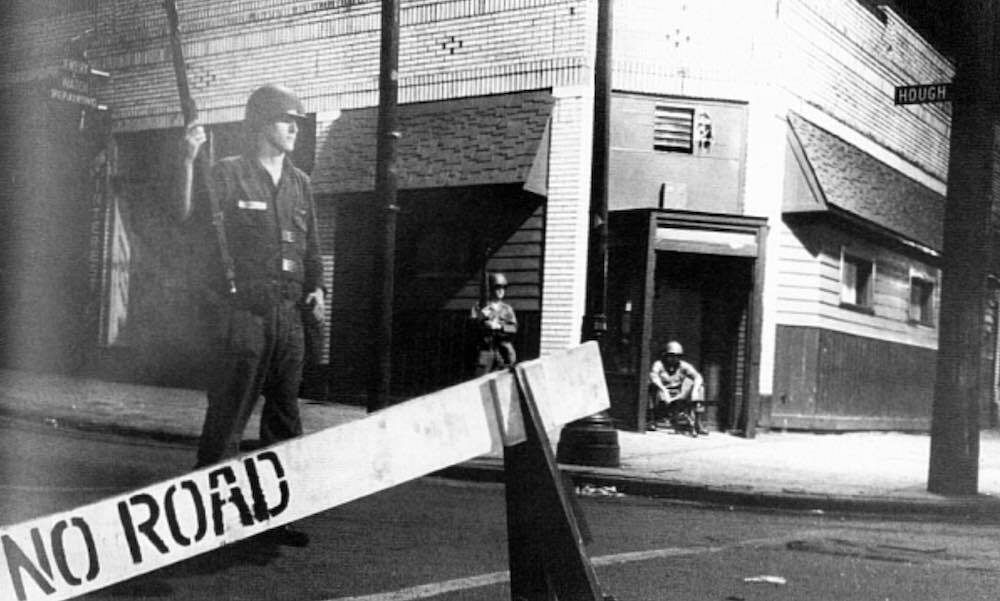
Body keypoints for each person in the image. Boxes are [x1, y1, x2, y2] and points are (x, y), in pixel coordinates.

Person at [177, 84, 324, 547]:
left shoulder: (300, 183)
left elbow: (312, 249)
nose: (294, 128)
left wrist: (317, 288)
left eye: (297, 121)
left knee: (285, 422)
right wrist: (186, 160)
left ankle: (274, 515)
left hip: (289, 318)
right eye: (286, 120)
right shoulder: (227, 175)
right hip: (243, 317)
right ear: (261, 124)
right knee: (228, 420)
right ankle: (208, 521)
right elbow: (185, 218)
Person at [648, 340, 706, 435]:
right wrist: (663, 389)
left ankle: (697, 423)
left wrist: (695, 391)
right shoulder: (659, 364)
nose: (674, 359)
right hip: (662, 394)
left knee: (700, 388)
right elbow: (653, 377)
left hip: (678, 393)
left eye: (677, 356)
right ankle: (651, 420)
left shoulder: (683, 365)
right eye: (671, 356)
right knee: (651, 386)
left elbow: (698, 376)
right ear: (666, 355)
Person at [470, 272, 518, 375]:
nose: (501, 290)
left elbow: (513, 328)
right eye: (498, 287)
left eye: (504, 287)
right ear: (491, 289)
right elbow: (474, 325)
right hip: (486, 350)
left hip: (503, 351)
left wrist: (499, 326)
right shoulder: (480, 306)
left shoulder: (507, 309)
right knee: (481, 379)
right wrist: (485, 323)